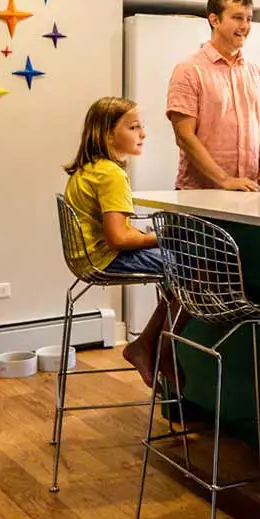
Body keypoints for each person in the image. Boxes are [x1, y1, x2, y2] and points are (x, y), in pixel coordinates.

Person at [63, 96, 174, 386]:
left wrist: (151, 238)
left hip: (85, 259)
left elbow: (118, 231)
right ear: (108, 134)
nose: (143, 134)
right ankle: (160, 348)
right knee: (198, 267)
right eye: (134, 127)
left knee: (181, 268)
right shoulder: (112, 174)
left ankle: (151, 345)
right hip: (107, 259)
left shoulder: (90, 169)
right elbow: (118, 238)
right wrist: (164, 238)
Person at [168, 0, 260, 192]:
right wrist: (224, 180)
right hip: (200, 195)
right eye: (237, 18)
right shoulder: (189, 71)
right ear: (215, 20)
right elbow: (184, 136)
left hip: (250, 192)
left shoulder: (259, 75)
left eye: (248, 19)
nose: (245, 26)